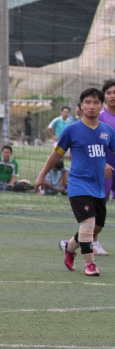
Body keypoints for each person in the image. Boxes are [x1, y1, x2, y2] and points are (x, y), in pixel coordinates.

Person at [34, 88, 115, 277]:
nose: (91, 106)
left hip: (98, 187)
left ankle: (69, 247)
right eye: (87, 102)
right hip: (78, 185)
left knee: (97, 227)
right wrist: (41, 176)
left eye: (96, 102)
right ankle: (90, 265)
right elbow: (56, 154)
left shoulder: (108, 131)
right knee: (87, 225)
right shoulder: (72, 130)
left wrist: (105, 164)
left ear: (101, 106)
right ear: (81, 106)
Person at [93, 79, 115, 256]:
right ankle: (93, 241)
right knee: (100, 204)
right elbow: (91, 143)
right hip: (104, 169)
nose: (112, 96)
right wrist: (103, 162)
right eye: (109, 93)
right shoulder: (99, 117)